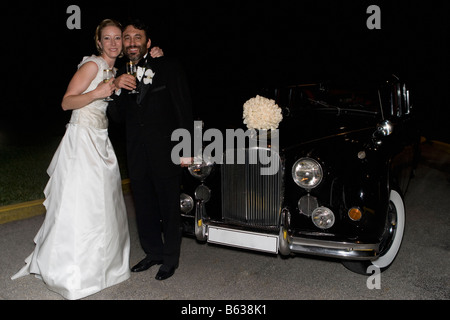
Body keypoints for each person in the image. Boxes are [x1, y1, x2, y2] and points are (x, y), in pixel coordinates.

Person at [11, 19, 162, 300]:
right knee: (81, 204)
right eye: (108, 38)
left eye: (118, 38)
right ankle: (71, 270)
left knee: (104, 205)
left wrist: (155, 54)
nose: (115, 43)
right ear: (99, 42)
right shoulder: (92, 65)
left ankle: (103, 268)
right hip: (82, 140)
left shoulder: (115, 69)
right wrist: (98, 92)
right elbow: (67, 101)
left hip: (101, 141)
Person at [108, 19, 194, 281]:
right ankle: (153, 252)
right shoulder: (120, 72)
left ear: (148, 42)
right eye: (127, 37)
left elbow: (183, 108)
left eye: (137, 37)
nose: (132, 42)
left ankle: (170, 259)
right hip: (136, 151)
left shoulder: (168, 65)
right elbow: (116, 116)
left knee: (168, 206)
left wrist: (187, 148)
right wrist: (116, 88)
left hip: (166, 150)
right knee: (143, 204)